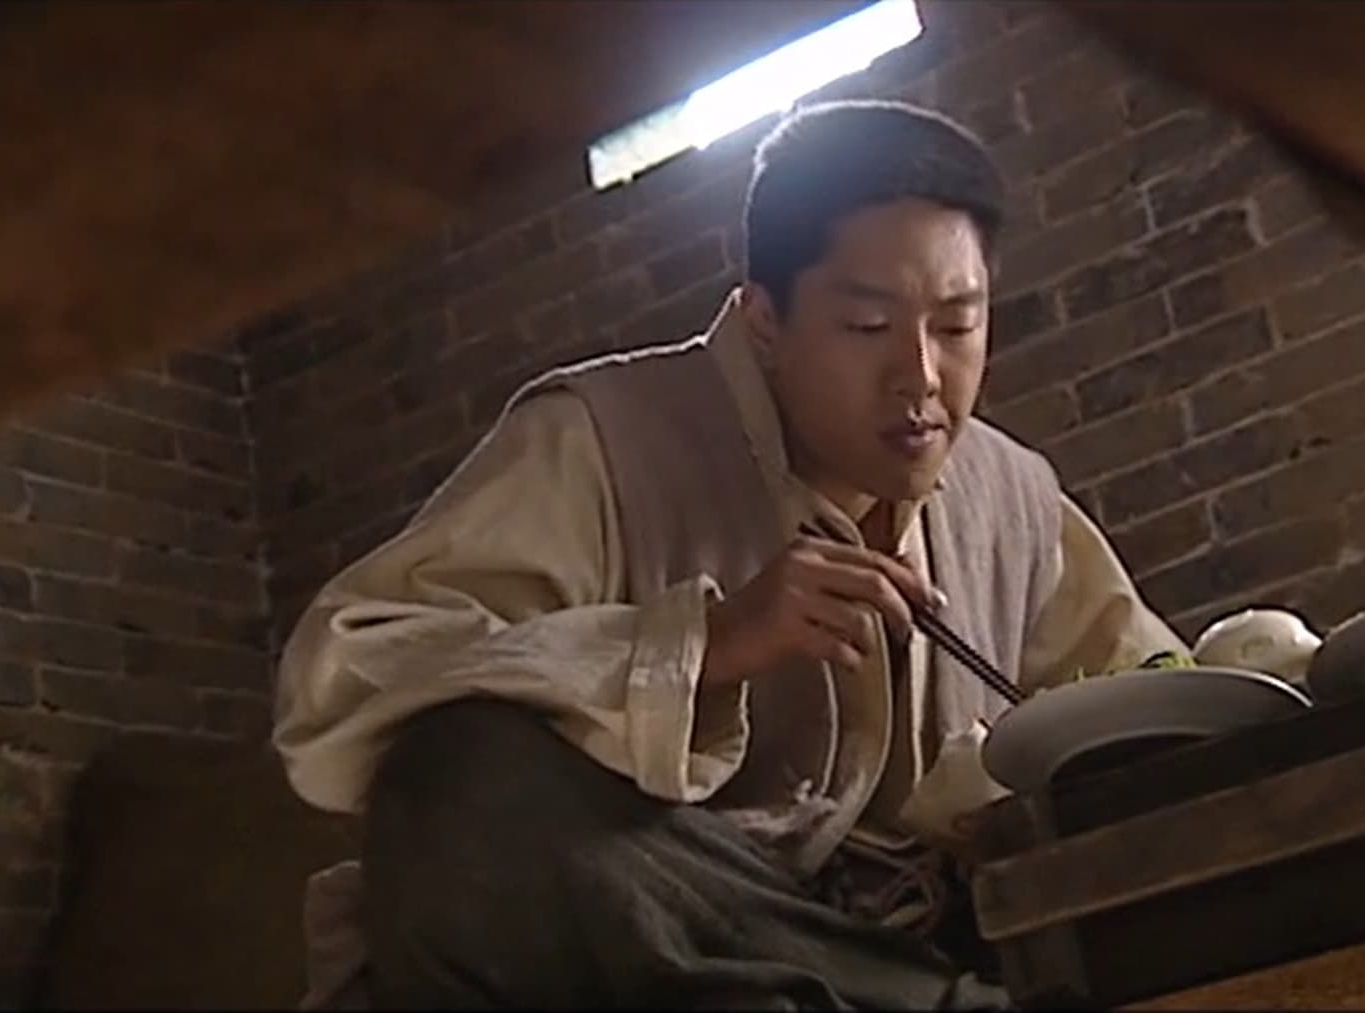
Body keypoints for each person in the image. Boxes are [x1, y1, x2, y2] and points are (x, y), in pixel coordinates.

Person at [274, 99, 1190, 1010]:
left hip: (928, 937)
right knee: (456, 785)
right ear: (763, 321)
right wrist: (699, 645)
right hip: (679, 915)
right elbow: (345, 681)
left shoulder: (1010, 496)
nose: (920, 376)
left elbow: (1153, 693)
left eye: (957, 326)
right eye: (867, 327)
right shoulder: (603, 440)